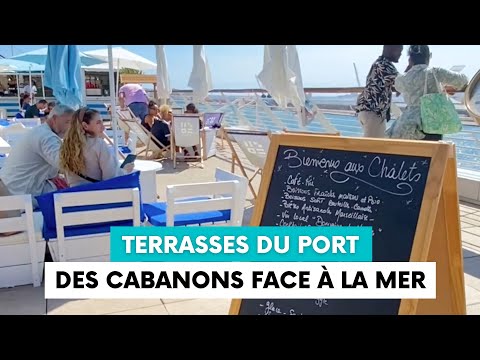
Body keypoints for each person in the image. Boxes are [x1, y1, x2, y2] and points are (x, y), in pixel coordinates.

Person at [386, 45, 469, 141]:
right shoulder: (435, 72)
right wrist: (443, 87)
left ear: (410, 59)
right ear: (429, 56)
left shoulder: (402, 78)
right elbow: (463, 80)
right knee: (431, 154)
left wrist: (409, 67)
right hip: (431, 123)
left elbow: (397, 87)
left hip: (408, 125)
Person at [0, 104, 74, 208]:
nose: (70, 127)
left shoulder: (39, 131)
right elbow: (65, 165)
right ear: (55, 119)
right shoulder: (47, 137)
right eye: (67, 122)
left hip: (9, 189)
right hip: (22, 194)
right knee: (75, 198)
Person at [59, 107, 135, 187]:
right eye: (98, 123)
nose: (103, 127)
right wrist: (124, 171)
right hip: (96, 195)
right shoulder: (98, 144)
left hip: (73, 196)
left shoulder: (66, 146)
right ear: (85, 126)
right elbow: (111, 178)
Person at [356, 45, 404, 138]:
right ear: (391, 49)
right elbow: (404, 82)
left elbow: (398, 85)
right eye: (399, 51)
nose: (400, 54)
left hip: (367, 110)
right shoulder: (385, 66)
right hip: (373, 113)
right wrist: (410, 67)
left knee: (374, 146)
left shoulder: (378, 63)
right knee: (373, 148)